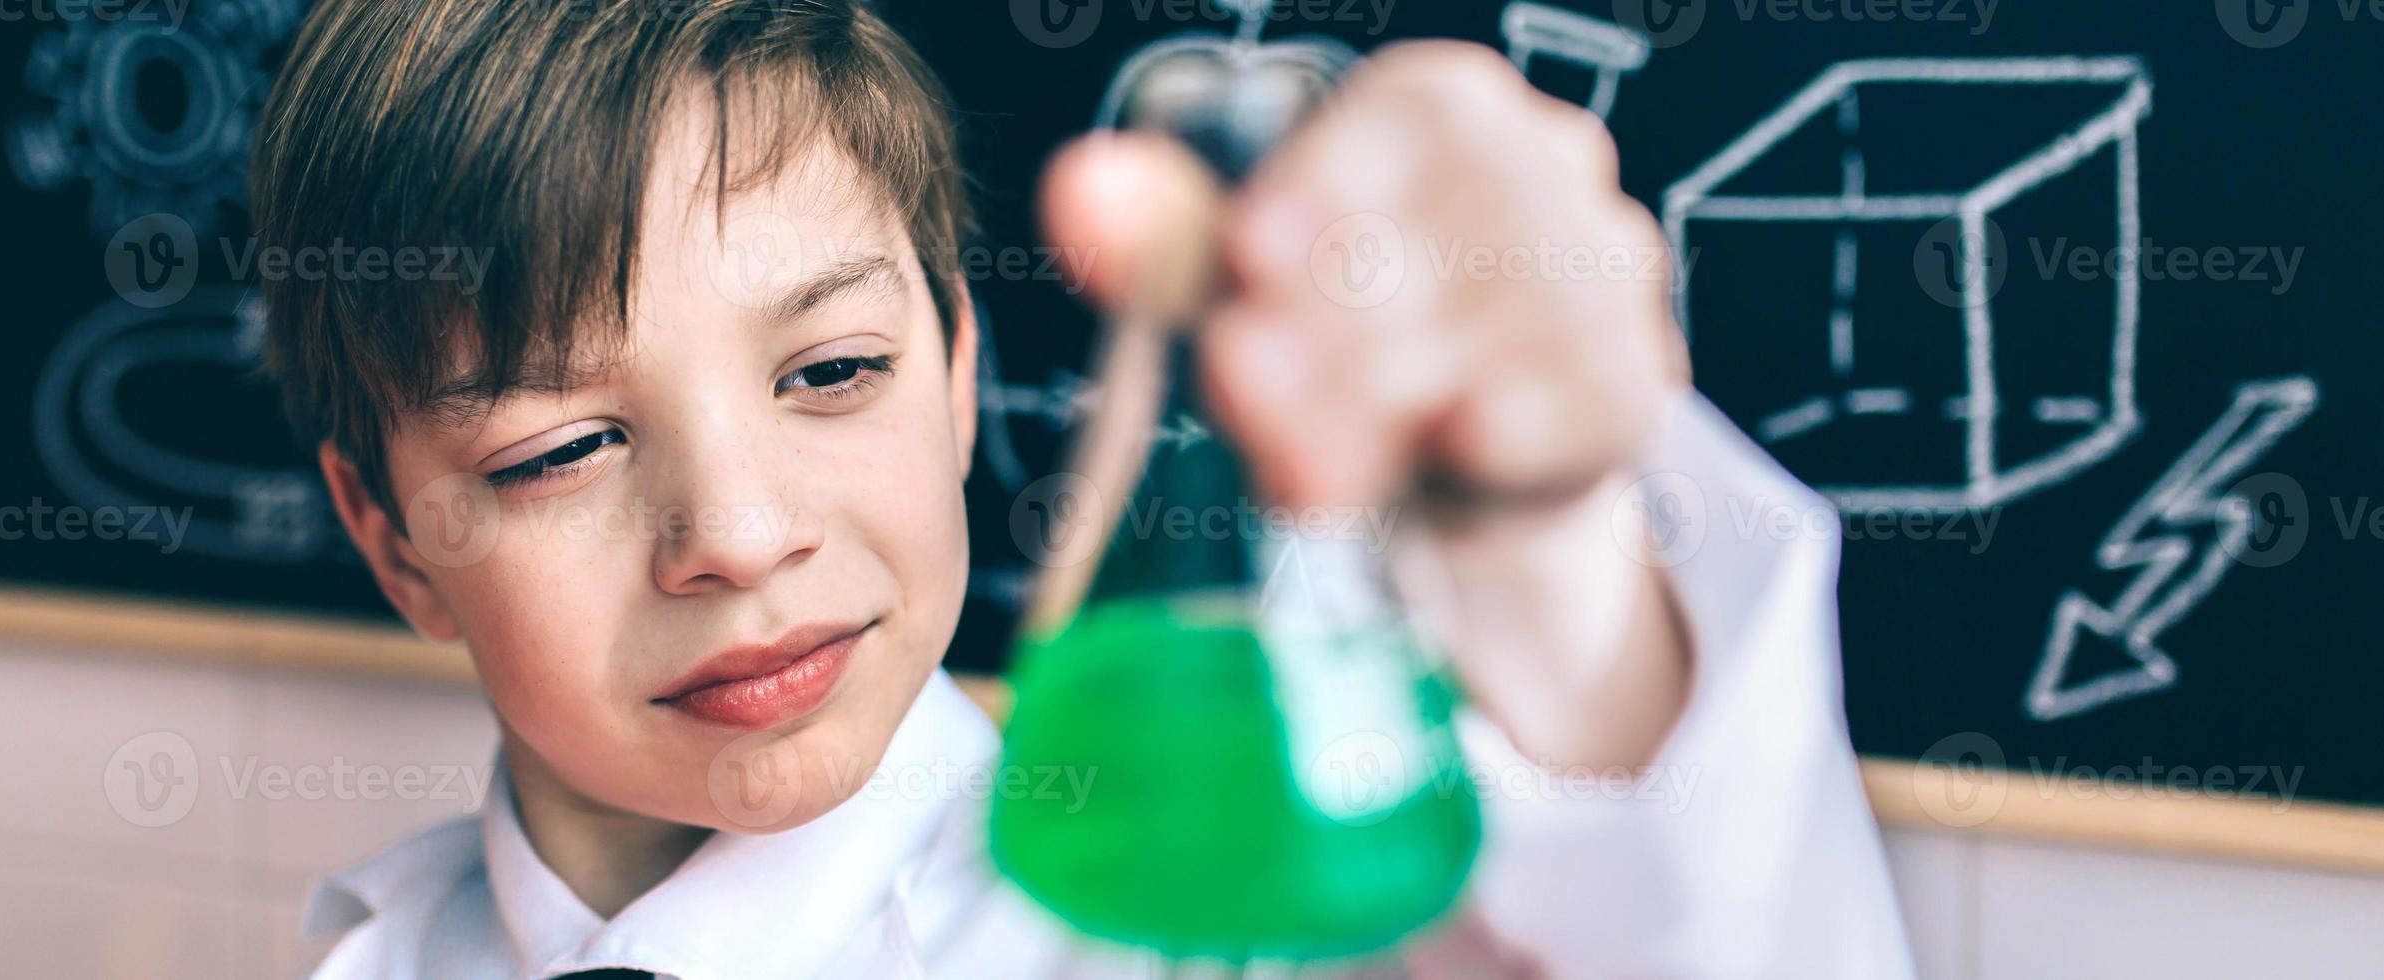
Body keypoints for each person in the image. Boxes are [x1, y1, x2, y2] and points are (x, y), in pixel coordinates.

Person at [259, 1, 1911, 976]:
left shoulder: (1197, 908)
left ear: (963, 364)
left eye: (833, 371)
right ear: (392, 539)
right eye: (556, 451)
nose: (743, 535)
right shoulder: (378, 955)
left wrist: (1551, 563)